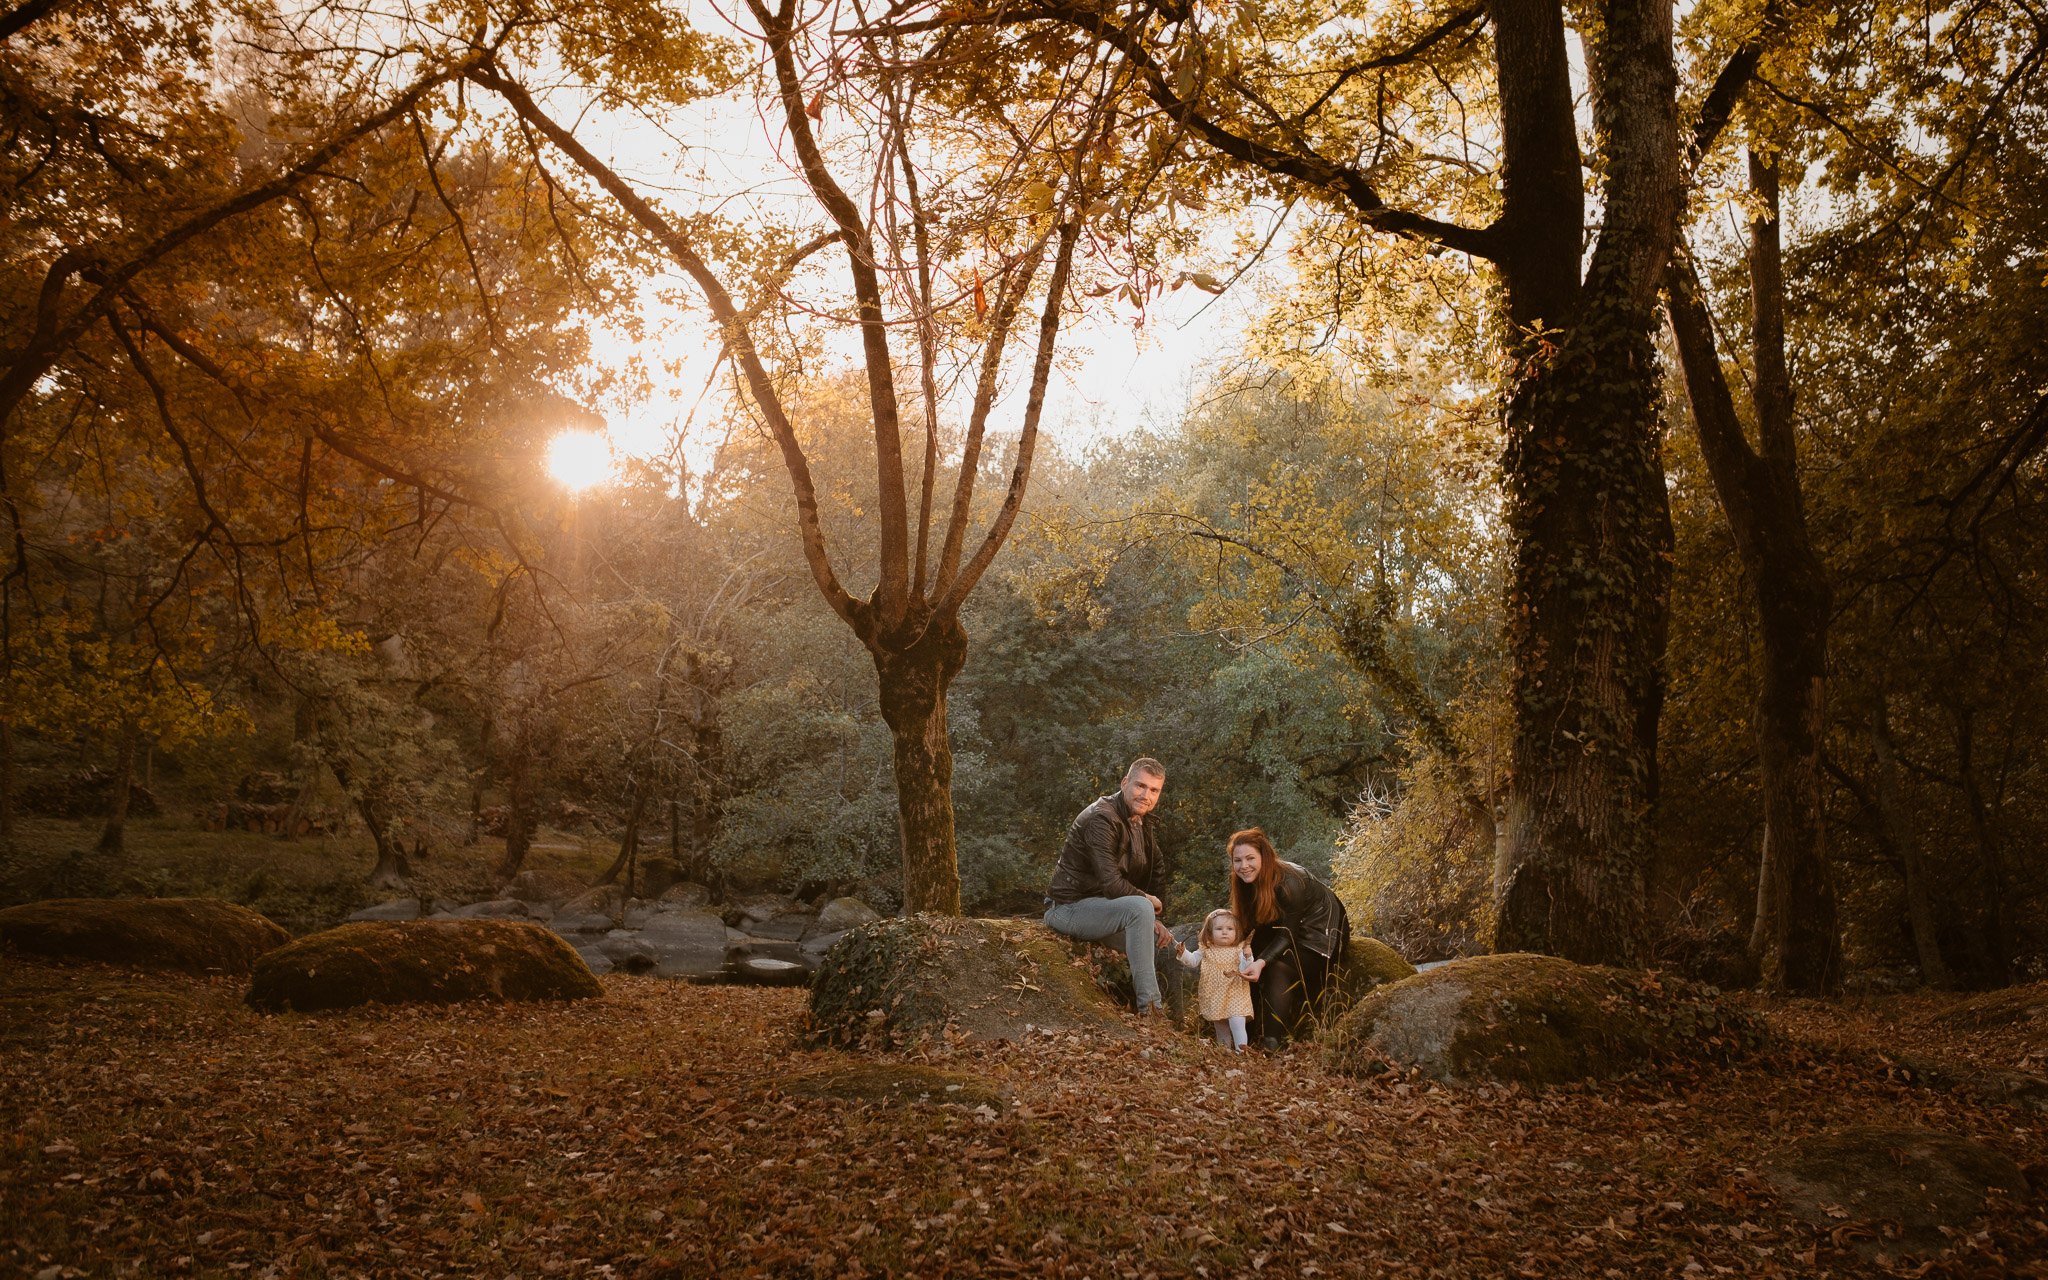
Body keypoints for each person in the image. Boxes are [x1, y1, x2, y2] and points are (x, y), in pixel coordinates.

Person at [1044, 758, 1176, 1014]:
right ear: (1125, 783)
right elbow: (1113, 886)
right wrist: (1148, 900)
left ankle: (1176, 1026)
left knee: (1168, 948)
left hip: (1102, 910)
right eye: (1140, 786)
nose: (1146, 795)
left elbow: (1157, 869)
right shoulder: (1102, 818)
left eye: (1154, 790)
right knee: (1140, 906)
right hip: (1068, 908)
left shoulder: (1140, 820)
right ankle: (1151, 1012)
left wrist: (1157, 918)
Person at [1227, 827, 1350, 1050]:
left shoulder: (1288, 882)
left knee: (1276, 967)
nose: (1244, 866)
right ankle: (1245, 1035)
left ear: (1264, 856)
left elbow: (1287, 935)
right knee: (1244, 960)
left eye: (1250, 858)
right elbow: (1249, 926)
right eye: (1238, 860)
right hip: (1290, 927)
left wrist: (1262, 962)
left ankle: (1271, 1043)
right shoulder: (1244, 881)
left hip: (1322, 933)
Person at [1173, 907, 1260, 1050]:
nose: (1225, 932)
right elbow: (1193, 961)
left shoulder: (1239, 949)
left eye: (1230, 929)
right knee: (1221, 1027)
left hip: (1235, 992)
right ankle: (1224, 1052)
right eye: (1219, 929)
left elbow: (1246, 968)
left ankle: (1241, 1052)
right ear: (1210, 934)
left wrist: (1247, 955)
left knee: (1237, 1022)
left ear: (1237, 932)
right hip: (1215, 994)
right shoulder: (1205, 949)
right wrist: (1183, 953)